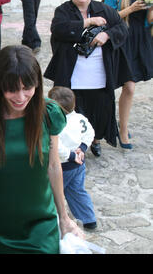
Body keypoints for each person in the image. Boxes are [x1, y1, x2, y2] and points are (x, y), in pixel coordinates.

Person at [0, 45, 83, 254]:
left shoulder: (48, 113)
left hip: (41, 225)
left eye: (27, 87)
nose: (20, 96)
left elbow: (54, 166)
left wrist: (64, 217)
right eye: (11, 88)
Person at [44, 0, 128, 158]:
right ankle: (72, 143)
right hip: (72, 70)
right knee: (72, 107)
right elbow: (59, 29)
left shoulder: (104, 9)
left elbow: (122, 27)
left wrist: (107, 35)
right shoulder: (63, 11)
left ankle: (95, 139)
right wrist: (88, 22)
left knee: (99, 106)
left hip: (98, 71)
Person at [104, 0, 153, 149]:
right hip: (119, 40)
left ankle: (122, 129)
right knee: (110, 85)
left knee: (130, 87)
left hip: (140, 41)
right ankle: (107, 125)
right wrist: (130, 9)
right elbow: (107, 16)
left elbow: (149, 21)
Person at [47, 86, 97, 231]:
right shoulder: (80, 119)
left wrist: (72, 156)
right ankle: (88, 219)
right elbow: (90, 133)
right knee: (77, 191)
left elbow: (57, 146)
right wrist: (82, 148)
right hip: (79, 165)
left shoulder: (57, 123)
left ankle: (52, 220)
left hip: (63, 165)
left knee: (52, 193)